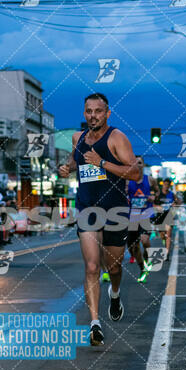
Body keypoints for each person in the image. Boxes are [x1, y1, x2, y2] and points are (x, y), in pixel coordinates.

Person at [59, 93, 139, 347]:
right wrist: (67, 167)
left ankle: (114, 294)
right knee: (92, 267)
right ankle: (95, 323)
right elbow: (76, 159)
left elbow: (135, 173)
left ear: (107, 113)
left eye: (98, 111)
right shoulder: (78, 138)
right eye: (88, 111)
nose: (93, 115)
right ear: (84, 113)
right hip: (88, 209)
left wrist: (103, 162)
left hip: (115, 210)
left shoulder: (116, 138)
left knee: (113, 268)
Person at [126, 156, 158, 283]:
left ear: (143, 165)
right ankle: (142, 269)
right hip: (132, 217)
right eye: (134, 162)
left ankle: (148, 258)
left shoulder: (150, 180)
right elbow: (123, 193)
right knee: (134, 248)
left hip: (146, 215)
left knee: (145, 241)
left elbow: (157, 192)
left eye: (139, 163)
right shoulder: (128, 181)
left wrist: (153, 196)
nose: (137, 165)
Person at [153, 178, 175, 260]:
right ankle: (164, 240)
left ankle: (167, 253)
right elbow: (153, 205)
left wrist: (174, 205)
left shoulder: (172, 194)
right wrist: (158, 207)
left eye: (168, 185)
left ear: (169, 186)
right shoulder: (158, 194)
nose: (166, 186)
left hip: (168, 215)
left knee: (168, 235)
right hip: (160, 216)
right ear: (163, 185)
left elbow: (176, 203)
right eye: (165, 184)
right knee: (162, 235)